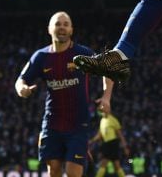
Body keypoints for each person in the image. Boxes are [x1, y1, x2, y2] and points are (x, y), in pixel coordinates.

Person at [15, 11, 114, 177]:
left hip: (78, 125)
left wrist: (106, 97)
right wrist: (22, 90)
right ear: (49, 29)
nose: (62, 27)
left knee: (72, 172)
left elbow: (107, 70)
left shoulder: (82, 54)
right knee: (54, 170)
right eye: (58, 24)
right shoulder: (41, 57)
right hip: (52, 123)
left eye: (65, 24)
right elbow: (20, 80)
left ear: (71, 30)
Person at [89, 108, 129, 177]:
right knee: (117, 165)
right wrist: (91, 141)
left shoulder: (113, 120)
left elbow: (120, 135)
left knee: (104, 163)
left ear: (108, 110)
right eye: (101, 111)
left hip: (113, 143)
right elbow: (99, 135)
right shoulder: (102, 121)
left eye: (103, 111)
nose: (102, 112)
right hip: (107, 144)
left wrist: (125, 147)